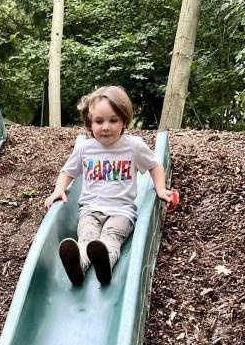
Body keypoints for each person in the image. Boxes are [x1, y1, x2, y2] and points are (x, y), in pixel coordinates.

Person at [44, 86, 174, 285]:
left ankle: (105, 266)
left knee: (110, 238)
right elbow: (67, 171)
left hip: (122, 212)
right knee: (87, 238)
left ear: (124, 121)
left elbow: (155, 166)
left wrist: (160, 188)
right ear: (90, 123)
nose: (106, 127)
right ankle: (78, 266)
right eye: (99, 121)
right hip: (90, 210)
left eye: (113, 120)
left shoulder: (133, 146)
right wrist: (59, 189)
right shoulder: (85, 149)